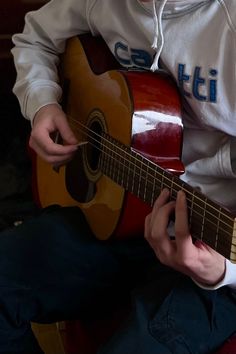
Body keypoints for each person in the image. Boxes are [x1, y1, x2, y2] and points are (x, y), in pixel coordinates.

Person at [5, 0, 236, 352]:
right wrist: (43, 104)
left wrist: (222, 272)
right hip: (120, 213)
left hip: (214, 249)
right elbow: (35, 37)